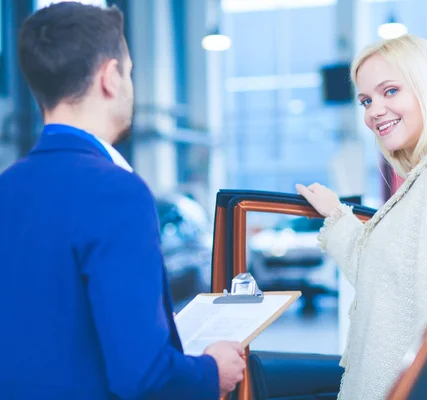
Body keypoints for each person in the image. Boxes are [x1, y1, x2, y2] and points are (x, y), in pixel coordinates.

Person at [0, 3, 244, 399]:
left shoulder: (6, 187)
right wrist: (211, 371)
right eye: (129, 71)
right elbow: (143, 376)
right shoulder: (115, 191)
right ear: (110, 77)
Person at [296, 34, 427, 400]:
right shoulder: (425, 176)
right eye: (367, 100)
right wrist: (336, 213)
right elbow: (381, 277)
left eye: (390, 92)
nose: (373, 111)